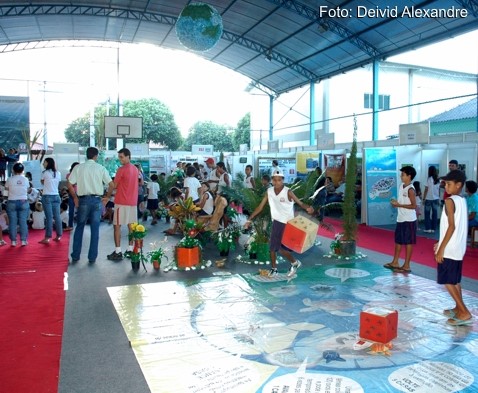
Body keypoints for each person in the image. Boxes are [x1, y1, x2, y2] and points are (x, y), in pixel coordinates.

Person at [245, 170, 314, 277]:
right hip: (276, 223)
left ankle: (294, 262)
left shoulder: (288, 192)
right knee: (272, 248)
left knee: (282, 250)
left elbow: (300, 203)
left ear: (283, 180)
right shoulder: (269, 191)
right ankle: (274, 269)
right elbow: (260, 207)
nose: (277, 182)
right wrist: (249, 219)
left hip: (288, 224)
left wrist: (308, 208)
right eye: (275, 180)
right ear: (272, 180)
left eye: (279, 180)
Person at [434, 169, 472, 326]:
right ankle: (458, 307)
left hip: (450, 248)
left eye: (449, 184)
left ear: (459, 185)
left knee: (447, 281)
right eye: (445, 184)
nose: (446, 187)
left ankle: (464, 312)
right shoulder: (461, 200)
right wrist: (440, 242)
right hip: (458, 247)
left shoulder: (450, 201)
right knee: (455, 279)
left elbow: (451, 227)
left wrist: (441, 248)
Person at [67, 147, 113, 263]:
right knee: (95, 229)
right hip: (97, 201)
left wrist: (75, 198)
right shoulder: (101, 168)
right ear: (96, 156)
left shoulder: (78, 168)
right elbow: (112, 184)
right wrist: (107, 197)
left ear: (86, 155)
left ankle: (75, 256)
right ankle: (92, 257)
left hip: (83, 201)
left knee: (80, 227)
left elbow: (69, 183)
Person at [104, 148, 140, 261]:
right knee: (131, 227)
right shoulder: (135, 169)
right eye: (119, 157)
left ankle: (118, 251)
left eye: (122, 157)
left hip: (122, 202)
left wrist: (107, 197)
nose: (120, 159)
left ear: (128, 156)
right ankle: (130, 249)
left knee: (117, 226)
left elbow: (114, 185)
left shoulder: (121, 169)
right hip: (133, 202)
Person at [383, 166, 417, 274]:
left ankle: (407, 265)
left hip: (409, 219)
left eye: (403, 174)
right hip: (401, 218)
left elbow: (414, 206)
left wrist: (399, 205)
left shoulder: (411, 189)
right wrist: (395, 204)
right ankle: (395, 261)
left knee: (408, 242)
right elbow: (401, 201)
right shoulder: (401, 186)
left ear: (409, 176)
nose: (401, 176)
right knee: (398, 241)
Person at [5, 162, 30, 246]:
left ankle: (13, 241)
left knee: (12, 222)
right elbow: (28, 190)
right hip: (23, 202)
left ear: (13, 170)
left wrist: (6, 199)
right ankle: (23, 241)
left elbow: (5, 191)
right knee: (23, 222)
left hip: (11, 201)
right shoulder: (26, 179)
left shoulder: (9, 179)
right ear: (22, 170)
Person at [39, 157, 62, 244]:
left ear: (48, 163)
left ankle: (47, 237)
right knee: (57, 217)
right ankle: (59, 235)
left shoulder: (45, 173)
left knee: (49, 217)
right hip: (56, 196)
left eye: (44, 162)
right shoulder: (58, 173)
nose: (43, 164)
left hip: (47, 196)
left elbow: (42, 182)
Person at [422, 165, 440, 233]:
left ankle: (428, 228)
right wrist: (438, 198)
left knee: (427, 214)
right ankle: (433, 228)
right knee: (435, 214)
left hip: (428, 199)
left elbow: (426, 189)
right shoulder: (438, 179)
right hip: (435, 199)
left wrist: (424, 199)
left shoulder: (428, 179)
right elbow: (438, 190)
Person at [65, 162, 79, 231]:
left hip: (80, 193)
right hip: (71, 193)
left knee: (80, 210)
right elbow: (70, 184)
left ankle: (80, 225)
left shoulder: (81, 175)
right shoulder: (69, 175)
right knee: (71, 210)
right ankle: (70, 225)